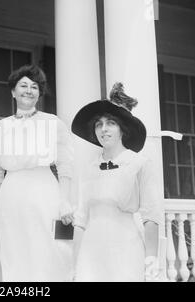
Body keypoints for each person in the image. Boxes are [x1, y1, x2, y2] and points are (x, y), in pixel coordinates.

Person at [0, 64, 75, 282]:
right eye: (23, 85)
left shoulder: (53, 123)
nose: (29, 90)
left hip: (44, 191)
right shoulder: (1, 128)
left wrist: (65, 200)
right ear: (13, 91)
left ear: (39, 93)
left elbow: (65, 166)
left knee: (50, 252)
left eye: (34, 87)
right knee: (15, 253)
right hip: (12, 194)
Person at [70, 82, 164, 282]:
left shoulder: (140, 164)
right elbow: (80, 221)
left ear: (123, 129)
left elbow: (151, 218)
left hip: (126, 252)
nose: (103, 129)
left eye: (111, 123)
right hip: (91, 255)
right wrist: (75, 267)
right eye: (99, 124)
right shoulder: (88, 169)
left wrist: (151, 267)